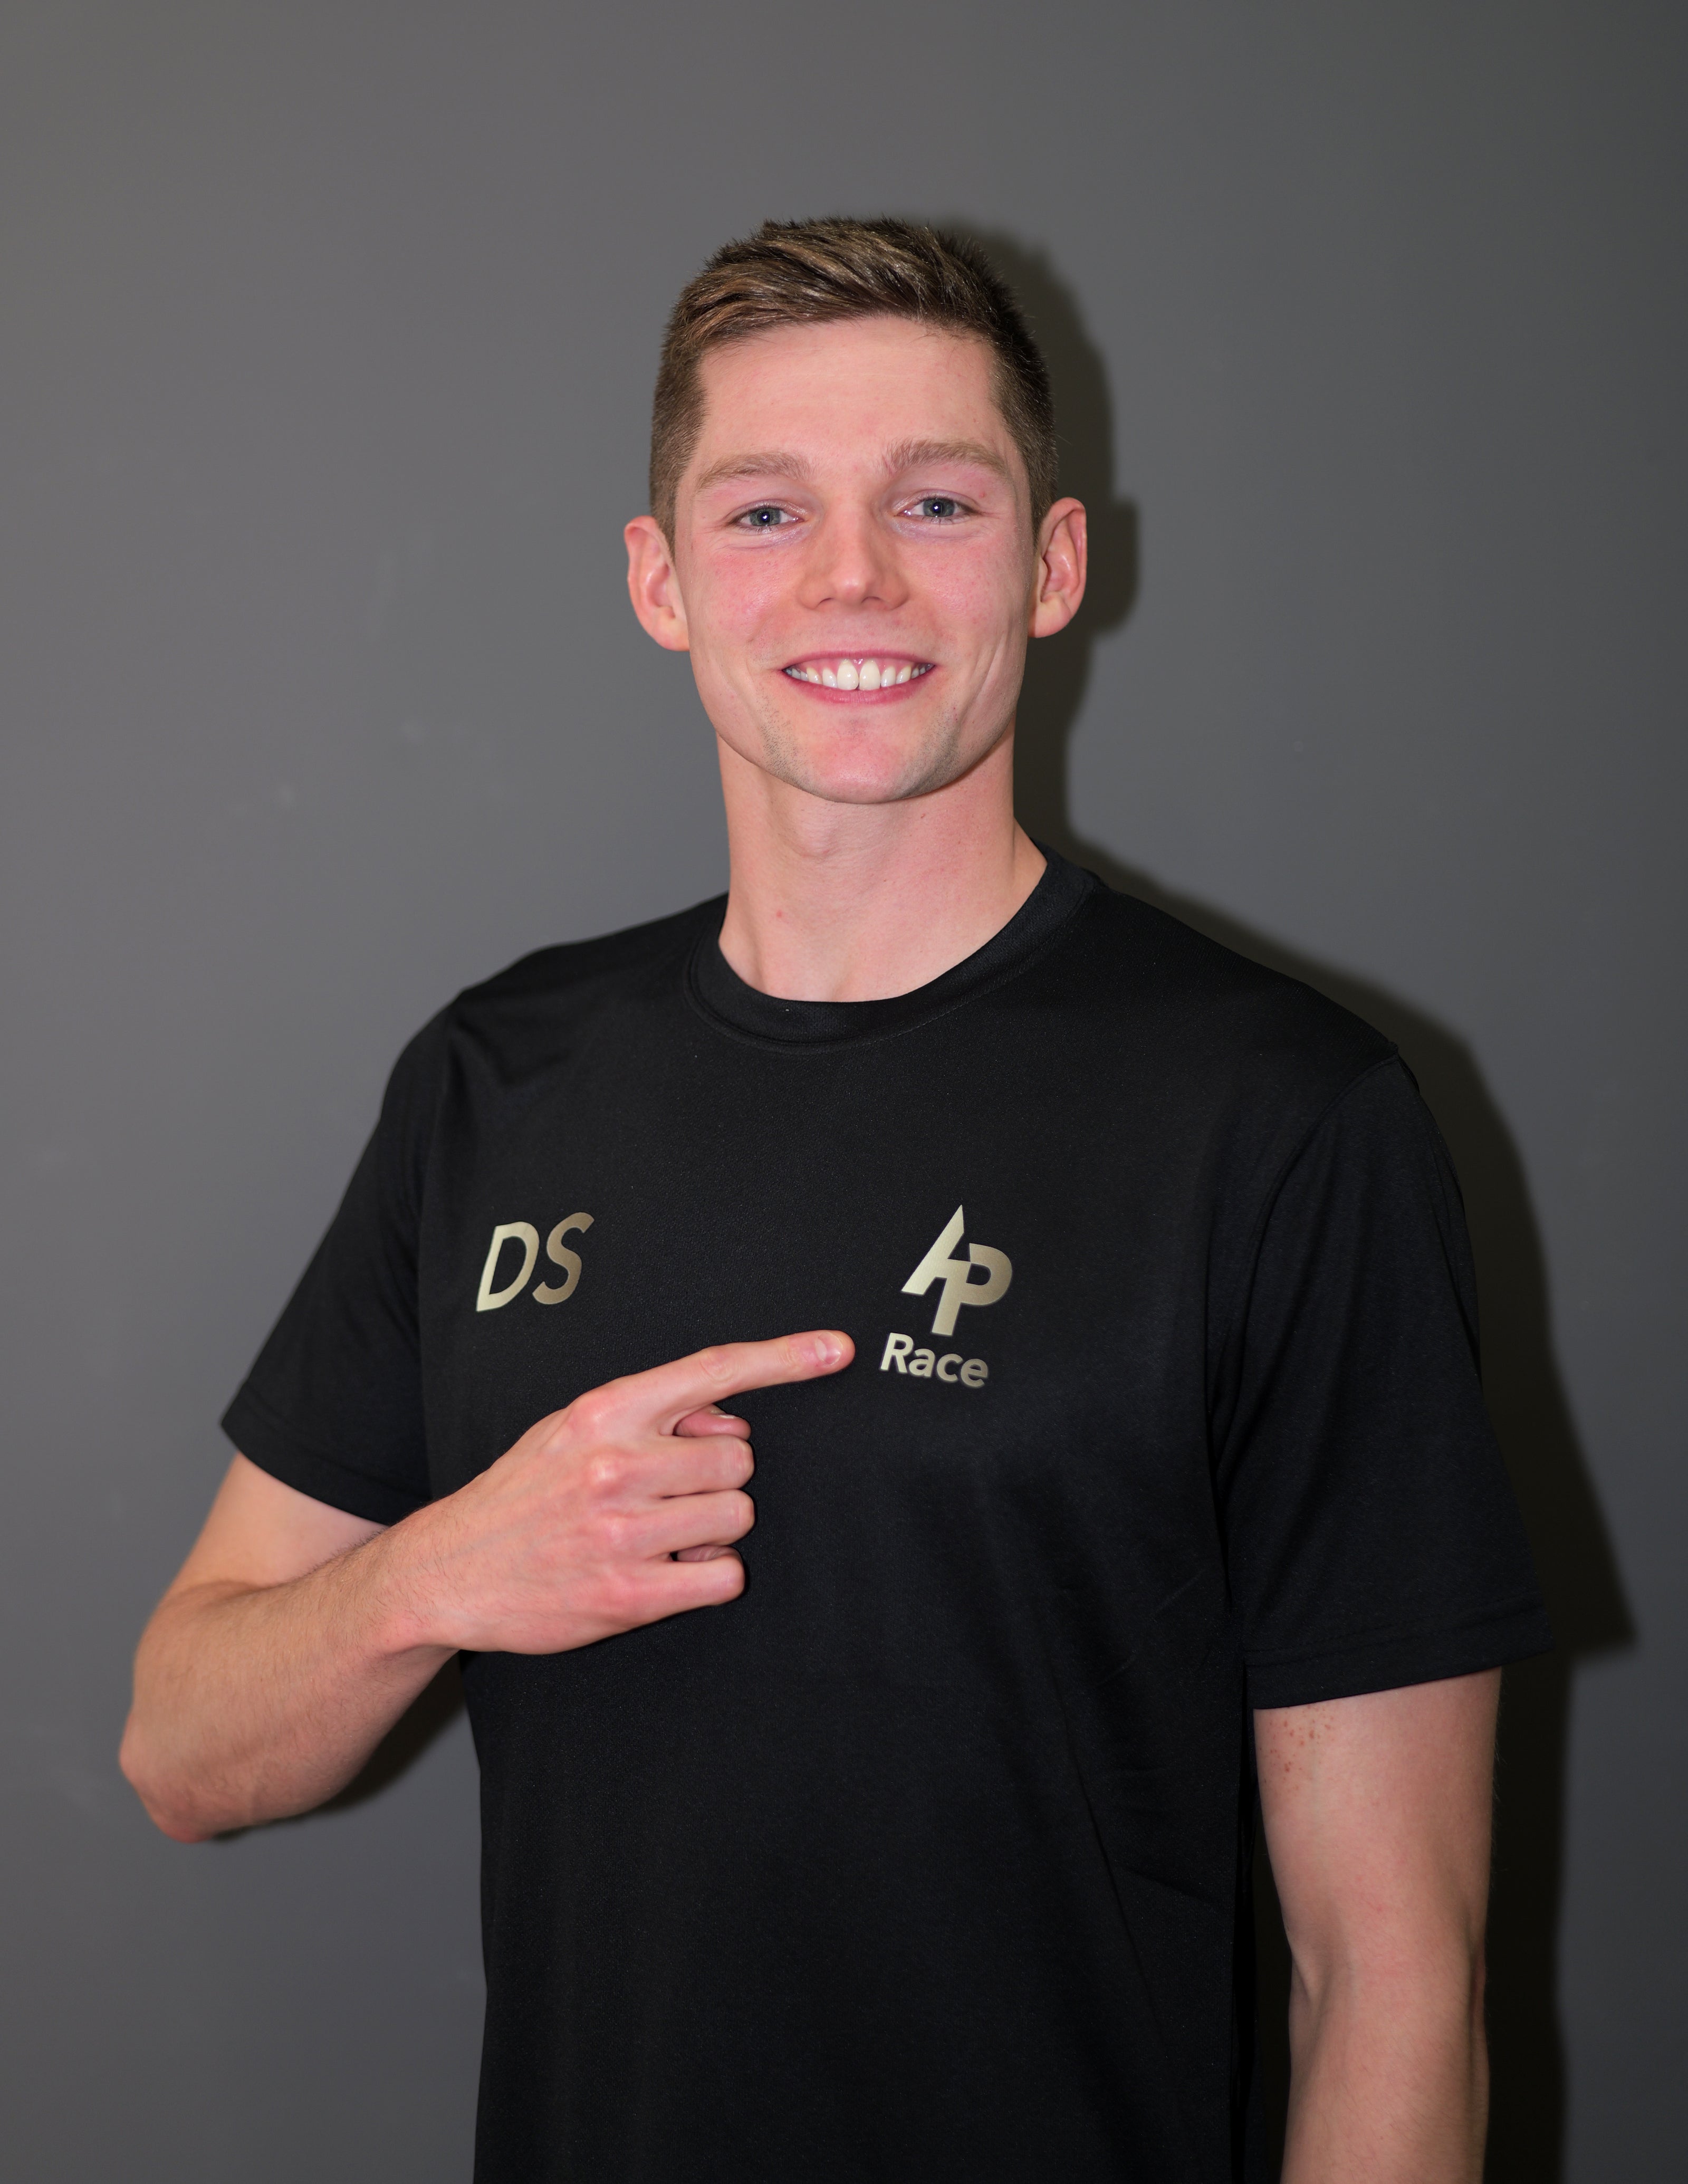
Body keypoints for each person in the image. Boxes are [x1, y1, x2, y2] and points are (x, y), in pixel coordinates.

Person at [121, 218, 1550, 2183]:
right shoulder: (495, 1081)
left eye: (936, 502)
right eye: (767, 510)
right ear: (662, 579)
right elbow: (181, 1748)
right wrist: (446, 1570)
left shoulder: (1287, 1119)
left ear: (1053, 565)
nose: (853, 575)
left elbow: (1393, 1970)